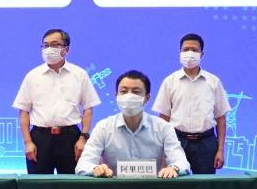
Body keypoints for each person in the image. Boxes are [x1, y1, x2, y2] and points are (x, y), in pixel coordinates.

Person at [13, 28, 102, 174]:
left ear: (66, 49)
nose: (49, 49)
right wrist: (28, 142)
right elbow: (23, 111)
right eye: (45, 45)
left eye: (54, 45)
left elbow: (88, 109)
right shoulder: (32, 76)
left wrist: (83, 138)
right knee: (38, 185)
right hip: (40, 139)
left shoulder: (79, 74)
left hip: (70, 138)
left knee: (73, 184)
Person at [77, 70, 191, 178]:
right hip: (113, 188)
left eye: (136, 92)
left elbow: (182, 162)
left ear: (147, 98)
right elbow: (83, 165)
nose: (129, 96)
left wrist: (174, 168)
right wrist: (95, 169)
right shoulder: (103, 127)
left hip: (152, 188)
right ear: (116, 96)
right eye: (123, 91)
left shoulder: (164, 127)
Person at [153, 33, 230, 174]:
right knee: (175, 182)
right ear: (180, 53)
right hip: (177, 141)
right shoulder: (170, 81)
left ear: (202, 54)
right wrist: (162, 151)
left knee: (205, 185)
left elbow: (221, 118)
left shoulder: (214, 82)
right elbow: (163, 119)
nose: (189, 53)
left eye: (194, 50)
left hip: (206, 143)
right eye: (185, 49)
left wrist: (220, 150)